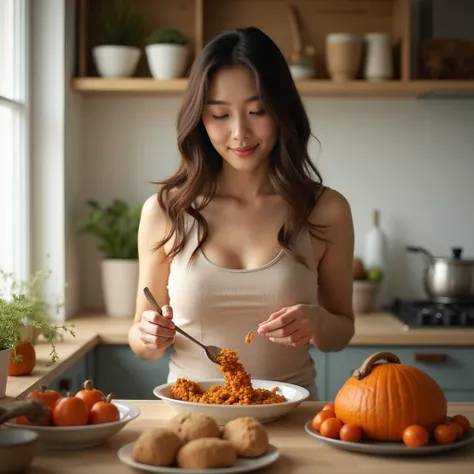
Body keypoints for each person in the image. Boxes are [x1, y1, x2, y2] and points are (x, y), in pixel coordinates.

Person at [128, 27, 355, 400]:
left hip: (290, 417)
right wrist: (149, 335)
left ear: (282, 111)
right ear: (200, 118)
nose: (239, 133)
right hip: (193, 414)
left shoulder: (326, 210)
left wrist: (316, 322)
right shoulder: (166, 211)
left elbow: (341, 330)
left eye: (257, 111)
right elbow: (139, 337)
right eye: (219, 114)